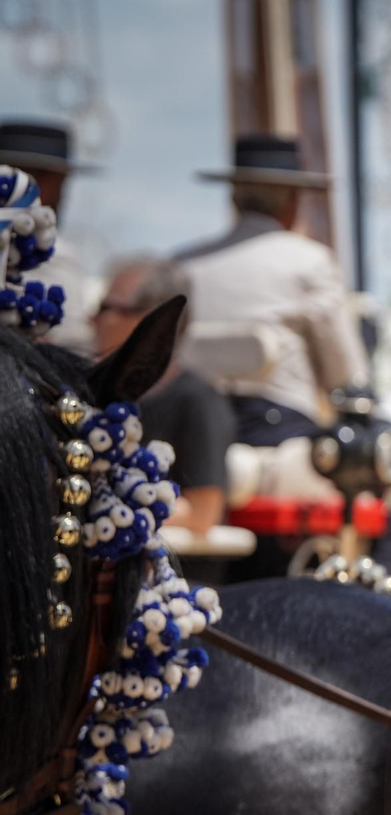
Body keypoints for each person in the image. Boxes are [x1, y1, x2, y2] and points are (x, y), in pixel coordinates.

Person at [175, 133, 369, 446]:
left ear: (235, 196)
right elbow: (345, 373)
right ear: (293, 199)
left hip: (191, 434)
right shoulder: (310, 262)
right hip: (279, 433)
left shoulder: (183, 265)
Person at [93, 256, 235, 534]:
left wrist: (108, 507)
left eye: (107, 307)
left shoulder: (197, 400)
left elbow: (203, 511)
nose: (93, 318)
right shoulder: (93, 395)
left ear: (152, 321)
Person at [0, 119, 95, 354]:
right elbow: (71, 344)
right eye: (62, 181)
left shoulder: (57, 252)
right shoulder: (56, 255)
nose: (65, 192)